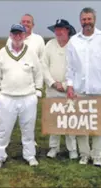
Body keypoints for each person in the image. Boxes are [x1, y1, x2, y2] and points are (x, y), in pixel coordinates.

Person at [66, 7, 101, 166]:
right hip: (80, 90)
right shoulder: (74, 40)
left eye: (89, 19)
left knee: (99, 124)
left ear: (94, 19)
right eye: (84, 19)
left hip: (99, 89)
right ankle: (84, 154)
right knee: (81, 125)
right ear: (80, 21)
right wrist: (70, 86)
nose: (87, 22)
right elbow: (70, 67)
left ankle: (97, 155)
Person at [0, 24, 43, 169]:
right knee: (3, 129)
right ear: (10, 35)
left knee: (28, 129)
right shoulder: (2, 52)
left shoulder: (31, 52)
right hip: (7, 98)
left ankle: (29, 155)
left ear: (24, 35)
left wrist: (38, 91)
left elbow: (38, 73)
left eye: (20, 34)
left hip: (28, 97)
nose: (17, 36)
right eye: (15, 34)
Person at [42, 19, 78, 159]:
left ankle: (72, 149)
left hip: (69, 89)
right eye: (57, 29)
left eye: (62, 29)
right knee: (54, 120)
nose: (59, 31)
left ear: (67, 30)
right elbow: (43, 65)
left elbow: (77, 68)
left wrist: (65, 85)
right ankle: (53, 148)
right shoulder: (50, 44)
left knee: (71, 120)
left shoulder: (74, 45)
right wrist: (52, 83)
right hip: (52, 89)